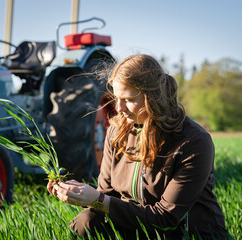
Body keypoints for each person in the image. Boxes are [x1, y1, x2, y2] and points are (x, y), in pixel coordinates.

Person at [47, 54, 227, 239]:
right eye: (116, 98)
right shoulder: (116, 132)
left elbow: (166, 219)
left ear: (154, 98)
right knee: (87, 221)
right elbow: (107, 195)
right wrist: (79, 193)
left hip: (184, 233)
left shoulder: (193, 141)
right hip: (136, 228)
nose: (119, 108)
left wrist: (98, 200)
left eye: (129, 99)